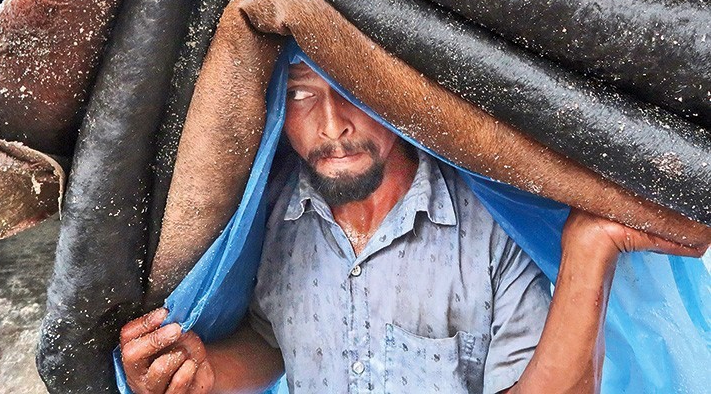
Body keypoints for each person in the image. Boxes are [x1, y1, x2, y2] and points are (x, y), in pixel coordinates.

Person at [120, 62, 706, 393]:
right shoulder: (268, 217)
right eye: (300, 94)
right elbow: (275, 340)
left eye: (352, 90)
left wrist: (589, 248)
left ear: (400, 96)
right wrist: (207, 371)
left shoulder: (488, 227)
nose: (331, 125)